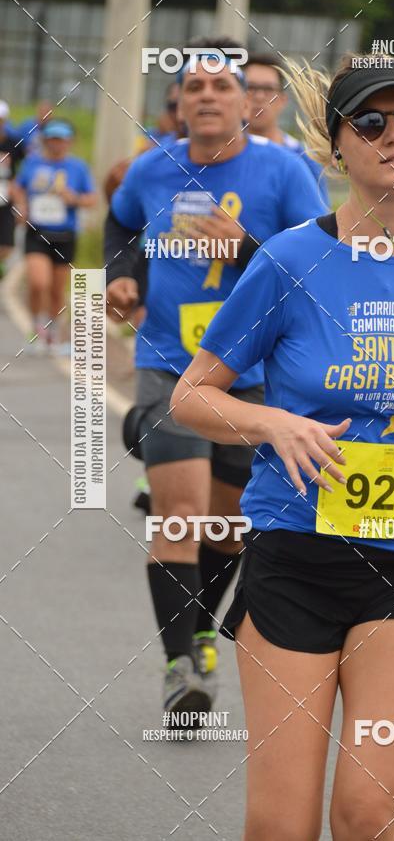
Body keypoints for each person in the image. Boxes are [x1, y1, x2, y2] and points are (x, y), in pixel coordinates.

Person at [171, 57, 394, 840]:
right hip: (297, 559)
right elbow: (189, 398)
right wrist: (274, 424)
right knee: (282, 823)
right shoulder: (288, 261)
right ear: (336, 145)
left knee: (369, 812)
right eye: (372, 123)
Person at [104, 39, 327, 716]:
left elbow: (322, 266)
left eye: (219, 87)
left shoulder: (285, 175)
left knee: (227, 529)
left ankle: (199, 631)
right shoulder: (152, 171)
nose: (205, 96)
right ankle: (181, 668)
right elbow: (119, 227)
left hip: (250, 375)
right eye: (192, 87)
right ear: (178, 105)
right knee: (179, 514)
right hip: (169, 366)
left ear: (244, 102)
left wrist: (245, 248)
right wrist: (121, 275)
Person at [12, 119, 96, 354]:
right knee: (39, 282)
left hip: (65, 236)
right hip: (37, 232)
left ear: (69, 142)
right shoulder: (32, 163)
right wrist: (21, 205)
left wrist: (75, 199)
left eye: (61, 140)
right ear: (45, 140)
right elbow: (17, 188)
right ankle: (36, 328)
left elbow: (92, 199)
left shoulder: (78, 168)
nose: (56, 144)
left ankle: (54, 333)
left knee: (57, 290)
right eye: (52, 139)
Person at [245, 51, 329, 202]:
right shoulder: (218, 152)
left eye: (268, 89)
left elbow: (319, 219)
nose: (258, 97)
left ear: (282, 100)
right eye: (251, 87)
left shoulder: (305, 158)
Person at [0, 100, 25, 279]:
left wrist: (21, 200)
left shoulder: (13, 143)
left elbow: (22, 168)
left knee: (7, 244)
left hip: (6, 195)